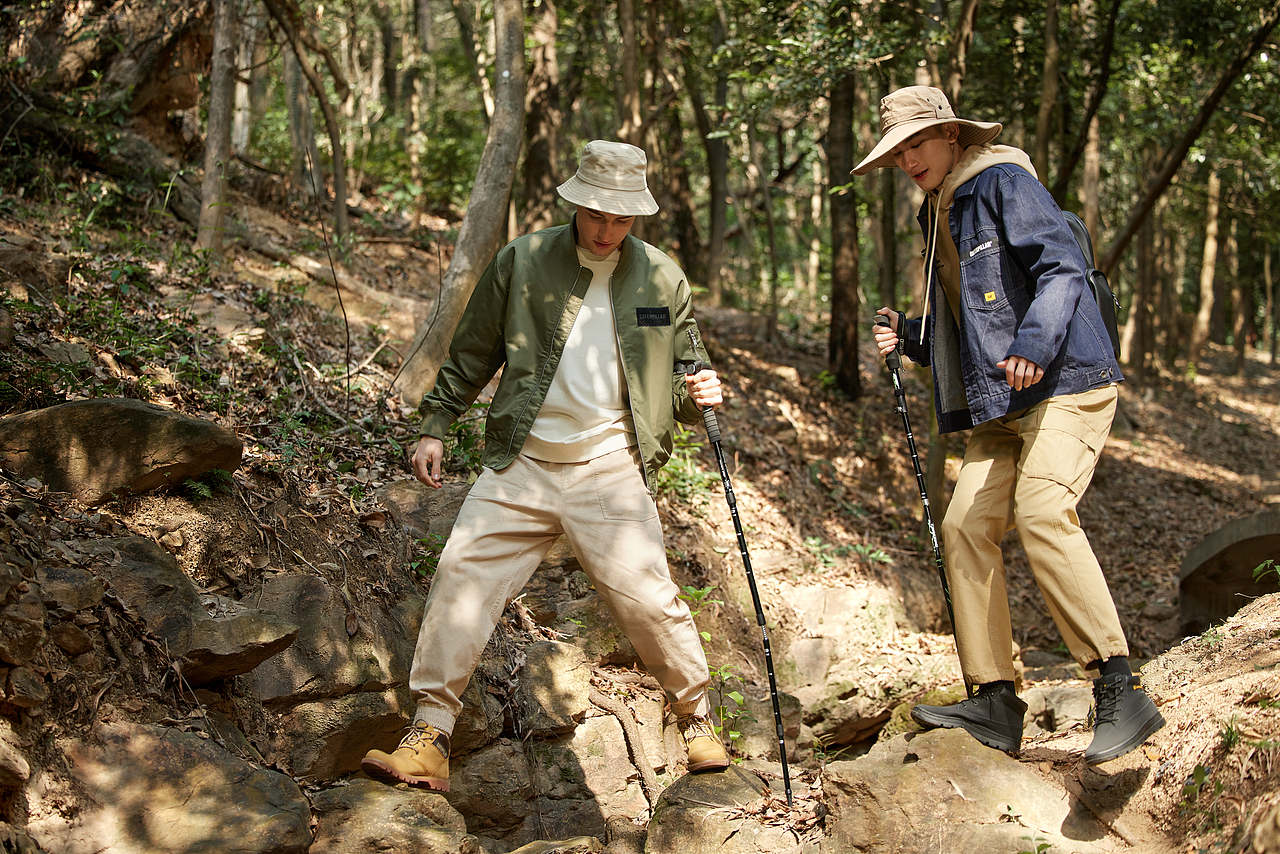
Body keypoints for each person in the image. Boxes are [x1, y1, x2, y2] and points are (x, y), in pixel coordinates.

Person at [361, 140, 730, 790]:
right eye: (595, 214)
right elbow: (472, 351)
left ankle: (696, 720)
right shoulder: (524, 261)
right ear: (577, 202)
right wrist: (436, 424)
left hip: (610, 465)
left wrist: (699, 395)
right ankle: (429, 737)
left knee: (651, 598)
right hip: (522, 461)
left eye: (620, 219)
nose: (606, 229)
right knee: (460, 579)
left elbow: (681, 376)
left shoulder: (663, 279)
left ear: (636, 217)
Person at [856, 86, 1165, 765]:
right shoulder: (937, 209)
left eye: (917, 144)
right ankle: (995, 699)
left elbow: (1062, 269)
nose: (908, 160)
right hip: (1004, 404)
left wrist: (1032, 343)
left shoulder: (1001, 181)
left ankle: (1119, 687)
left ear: (951, 136)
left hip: (1067, 381)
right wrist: (911, 336)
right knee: (965, 525)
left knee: (1044, 509)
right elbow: (977, 319)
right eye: (898, 151)